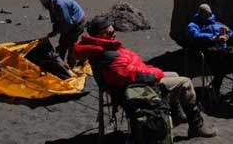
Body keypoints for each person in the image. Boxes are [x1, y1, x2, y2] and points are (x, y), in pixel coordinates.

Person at [74, 16, 217, 139]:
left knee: (174, 75)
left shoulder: (103, 48)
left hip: (134, 80)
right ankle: (196, 127)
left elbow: (128, 70)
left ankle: (176, 114)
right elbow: (129, 75)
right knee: (185, 83)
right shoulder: (106, 54)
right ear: (100, 35)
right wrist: (154, 72)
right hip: (134, 87)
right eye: (110, 32)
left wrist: (149, 70)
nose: (114, 34)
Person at [186, 3, 233, 99]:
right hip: (208, 50)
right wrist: (212, 38)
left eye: (208, 14)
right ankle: (216, 88)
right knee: (220, 63)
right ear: (200, 14)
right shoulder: (194, 25)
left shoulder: (217, 24)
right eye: (204, 14)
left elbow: (230, 31)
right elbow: (194, 35)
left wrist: (227, 35)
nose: (207, 16)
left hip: (223, 49)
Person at [38, 0, 85, 67]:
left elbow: (67, 22)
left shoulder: (60, 4)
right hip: (69, 22)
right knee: (62, 44)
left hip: (77, 22)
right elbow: (55, 21)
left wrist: (57, 32)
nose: (46, 5)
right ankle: (60, 64)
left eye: (47, 3)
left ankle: (71, 65)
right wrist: (54, 31)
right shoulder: (51, 5)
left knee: (70, 44)